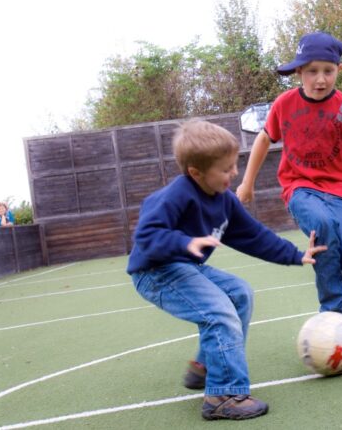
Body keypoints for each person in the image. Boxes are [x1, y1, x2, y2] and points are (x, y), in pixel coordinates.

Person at [127, 119, 326, 421]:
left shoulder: (225, 201)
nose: (234, 173)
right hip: (155, 273)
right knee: (219, 313)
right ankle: (222, 395)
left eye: (234, 165)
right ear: (196, 173)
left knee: (239, 294)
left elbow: (253, 235)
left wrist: (295, 255)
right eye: (225, 169)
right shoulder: (175, 196)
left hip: (183, 267)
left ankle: (206, 366)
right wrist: (184, 242)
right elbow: (146, 236)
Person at [236, 31, 342, 367]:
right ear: (299, 72)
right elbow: (263, 139)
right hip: (299, 189)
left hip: (340, 194)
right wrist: (247, 184)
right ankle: (332, 324)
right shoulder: (285, 105)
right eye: (312, 71)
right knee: (324, 229)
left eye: (328, 70)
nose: (320, 79)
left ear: (338, 70)